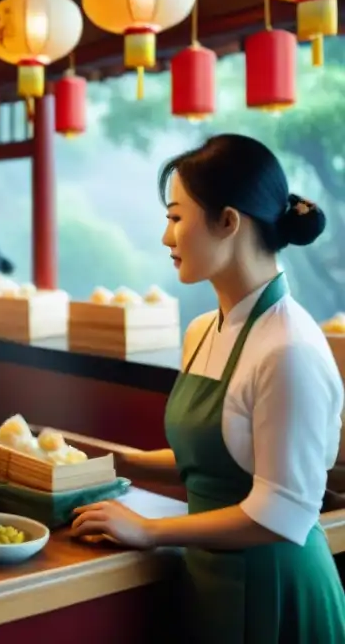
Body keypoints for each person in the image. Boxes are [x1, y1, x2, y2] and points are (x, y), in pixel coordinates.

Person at [71, 134, 345, 642]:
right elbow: (217, 458)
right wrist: (112, 464)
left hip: (274, 589)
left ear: (228, 222)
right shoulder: (202, 330)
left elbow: (280, 513)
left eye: (176, 217)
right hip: (211, 576)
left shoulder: (290, 348)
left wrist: (148, 530)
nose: (166, 237)